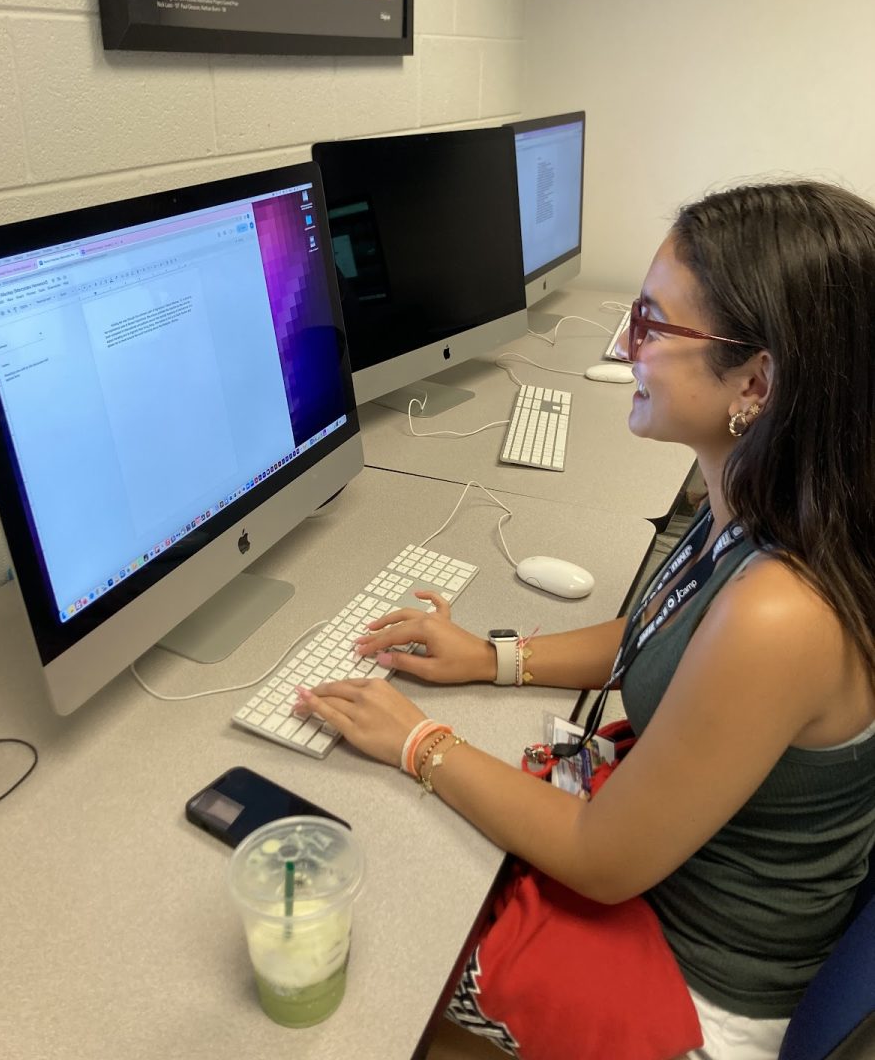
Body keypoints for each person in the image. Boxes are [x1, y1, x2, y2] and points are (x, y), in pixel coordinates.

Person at [296, 181, 875, 1060]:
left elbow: (604, 861)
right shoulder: (776, 502)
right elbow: (664, 626)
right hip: (667, 881)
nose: (625, 347)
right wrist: (492, 658)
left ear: (754, 381)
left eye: (650, 325)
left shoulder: (780, 612)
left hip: (692, 981)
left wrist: (421, 744)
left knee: (381, 951)